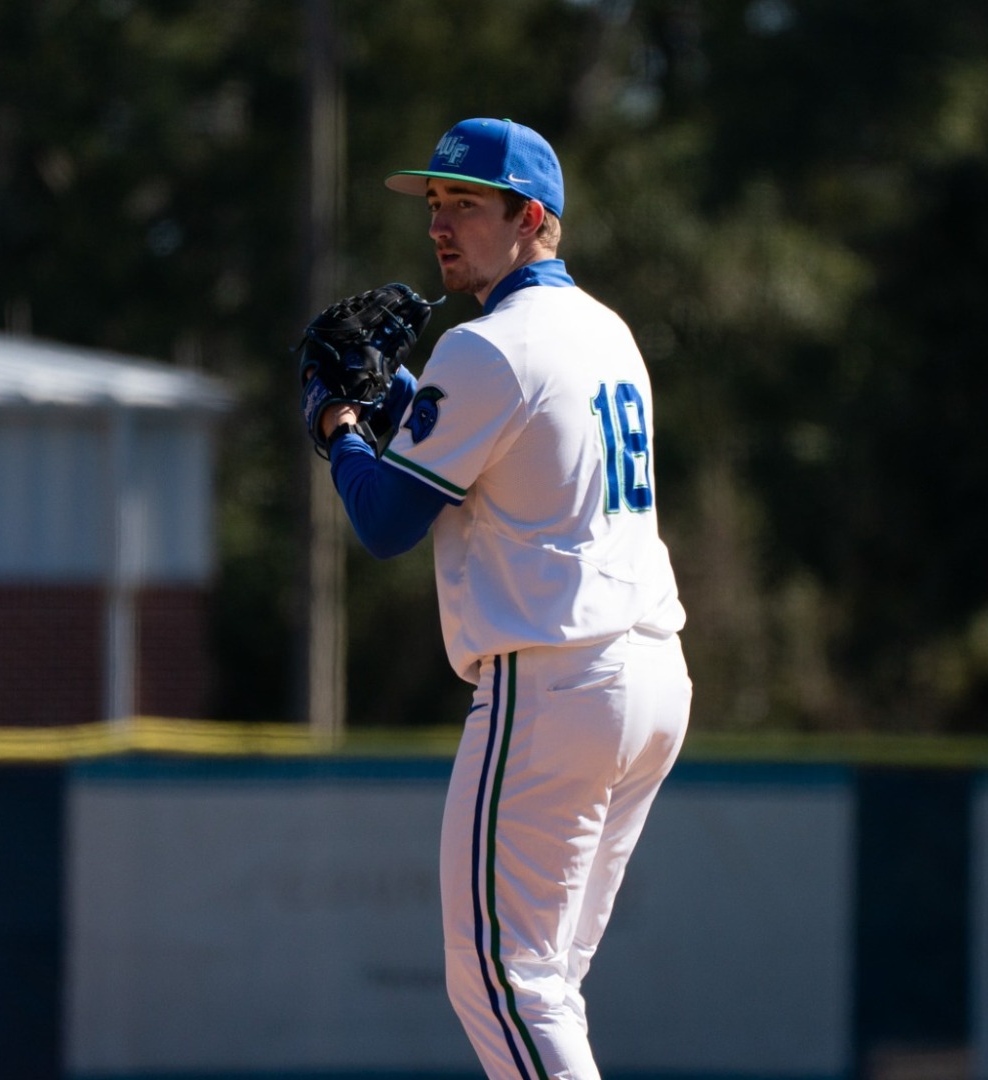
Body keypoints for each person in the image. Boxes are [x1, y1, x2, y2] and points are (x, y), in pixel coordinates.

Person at [311, 117, 692, 1079]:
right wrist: (399, 394)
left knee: (499, 980)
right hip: (650, 679)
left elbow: (388, 519)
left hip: (555, 685)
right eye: (435, 204)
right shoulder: (606, 329)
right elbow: (499, 445)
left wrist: (339, 421)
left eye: (465, 205)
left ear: (530, 216)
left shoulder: (491, 347)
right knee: (545, 984)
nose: (439, 225)